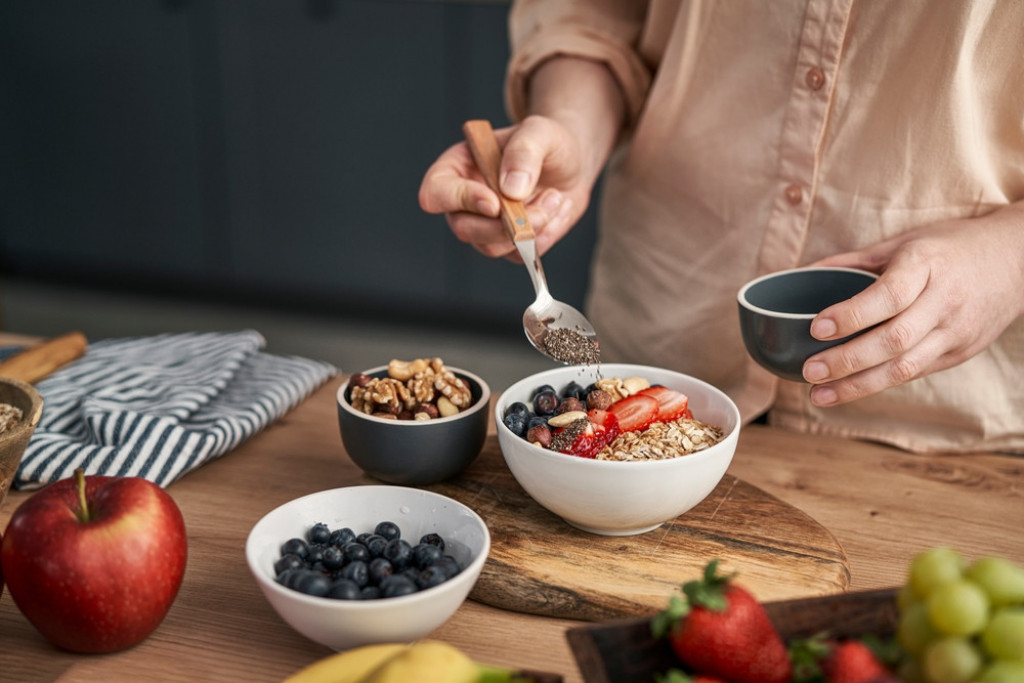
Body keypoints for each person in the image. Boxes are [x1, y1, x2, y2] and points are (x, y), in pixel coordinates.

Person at [419, 1, 1024, 453]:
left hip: (942, 426)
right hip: (664, 334)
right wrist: (572, 129)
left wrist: (1008, 256)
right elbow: (597, 13)